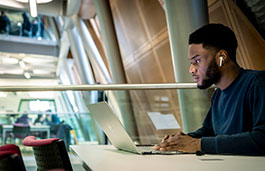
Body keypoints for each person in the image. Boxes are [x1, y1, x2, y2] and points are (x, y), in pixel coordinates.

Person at [153, 23, 265, 155]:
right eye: (191, 63)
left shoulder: (258, 83)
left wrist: (197, 144)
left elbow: (262, 139)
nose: (191, 70)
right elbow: (208, 131)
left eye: (197, 61)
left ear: (221, 57)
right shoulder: (218, 95)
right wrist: (181, 140)